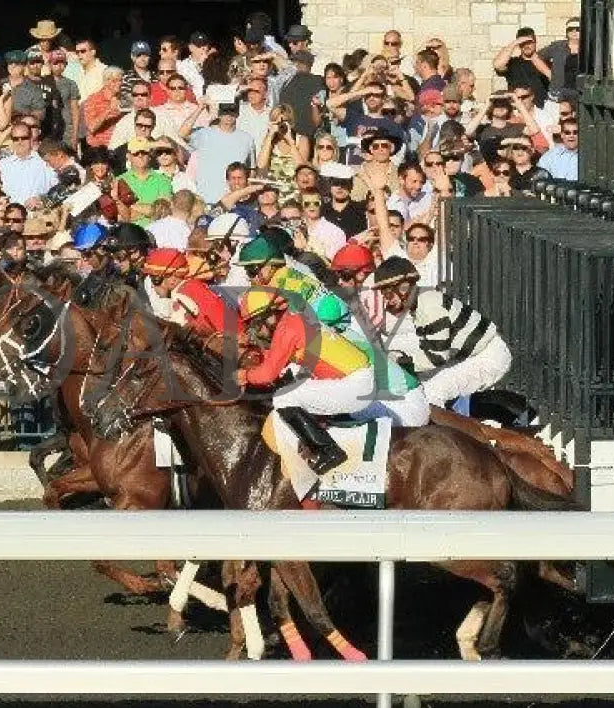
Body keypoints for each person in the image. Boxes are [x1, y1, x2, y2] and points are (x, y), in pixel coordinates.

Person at [234, 236, 373, 474]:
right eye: (248, 271)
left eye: (253, 269)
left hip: (345, 332)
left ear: (270, 265)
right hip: (341, 334)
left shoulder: (281, 288)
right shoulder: (287, 276)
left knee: (284, 397)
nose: (251, 277)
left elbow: (270, 369)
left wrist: (247, 375)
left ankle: (328, 450)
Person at [372, 256, 513, 412]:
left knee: (430, 394)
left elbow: (437, 357)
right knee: (421, 385)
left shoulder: (429, 305)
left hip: (487, 357)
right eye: (384, 295)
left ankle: (446, 435)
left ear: (404, 287)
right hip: (472, 354)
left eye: (388, 294)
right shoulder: (422, 301)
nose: (387, 301)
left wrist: (400, 360)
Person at [181, 102, 255, 204]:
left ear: (237, 114)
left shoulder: (247, 139)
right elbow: (182, 133)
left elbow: (251, 170)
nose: (228, 116)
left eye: (232, 112)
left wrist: (246, 194)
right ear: (219, 114)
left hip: (235, 202)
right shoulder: (204, 134)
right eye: (225, 112)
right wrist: (200, 107)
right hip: (206, 200)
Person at [0, 120, 57, 204]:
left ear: (31, 138)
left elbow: (57, 187)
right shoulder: (2, 166)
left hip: (40, 213)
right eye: (16, 139)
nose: (20, 142)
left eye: (24, 138)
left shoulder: (45, 161)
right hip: (12, 214)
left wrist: (41, 200)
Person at [493, 27, 552, 107]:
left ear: (535, 42)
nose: (527, 45)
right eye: (523, 43)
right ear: (519, 45)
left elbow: (554, 79)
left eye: (530, 42)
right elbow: (497, 65)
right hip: (517, 110)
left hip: (540, 110)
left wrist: (536, 59)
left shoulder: (546, 63)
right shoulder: (513, 63)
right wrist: (514, 43)